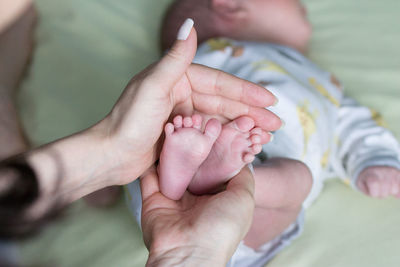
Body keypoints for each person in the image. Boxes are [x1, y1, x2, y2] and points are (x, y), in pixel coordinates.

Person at [126, 0, 400, 266]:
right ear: (229, 5)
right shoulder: (201, 54)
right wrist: (377, 157)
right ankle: (226, 176)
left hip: (182, 218)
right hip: (228, 221)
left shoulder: (318, 77)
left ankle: (202, 178)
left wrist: (375, 159)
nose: (303, 5)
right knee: (297, 178)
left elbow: (129, 123)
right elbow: (352, 121)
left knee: (189, 123)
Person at [0, 16, 282, 265]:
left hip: (200, 210)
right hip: (227, 222)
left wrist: (110, 154)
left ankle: (187, 178)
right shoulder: (257, 54)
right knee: (296, 179)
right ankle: (209, 178)